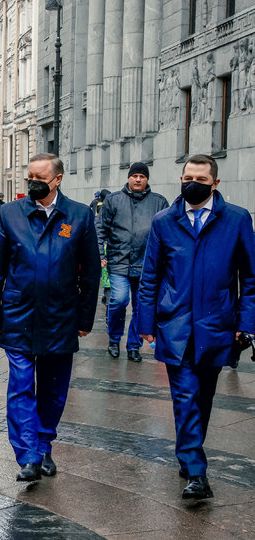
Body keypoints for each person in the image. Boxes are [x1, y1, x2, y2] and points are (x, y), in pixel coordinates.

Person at [137, 154, 255, 500]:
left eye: (201, 180)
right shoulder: (164, 221)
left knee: (203, 398)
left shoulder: (236, 220)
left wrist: (246, 323)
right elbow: (150, 277)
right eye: (188, 177)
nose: (193, 184)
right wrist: (146, 323)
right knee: (185, 396)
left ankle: (188, 452)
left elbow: (250, 279)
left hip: (217, 325)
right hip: (175, 325)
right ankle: (197, 471)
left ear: (215, 184)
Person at [0, 153, 101, 482]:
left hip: (61, 315)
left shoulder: (79, 216)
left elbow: (91, 273)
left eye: (40, 177)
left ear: (58, 179)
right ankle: (28, 455)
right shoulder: (10, 214)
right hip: (18, 313)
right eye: (29, 176)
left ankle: (44, 444)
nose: (33, 182)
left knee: (53, 388)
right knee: (21, 385)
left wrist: (85, 319)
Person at [97, 162, 169, 362]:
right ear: (128, 178)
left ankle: (134, 345)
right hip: (119, 262)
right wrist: (100, 255)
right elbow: (100, 229)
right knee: (119, 300)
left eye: (142, 176)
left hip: (146, 265)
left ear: (147, 179)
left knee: (141, 306)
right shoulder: (113, 200)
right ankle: (114, 339)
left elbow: (168, 233)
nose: (138, 179)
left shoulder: (159, 202)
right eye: (134, 176)